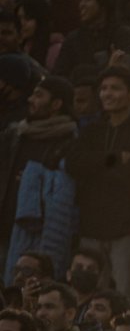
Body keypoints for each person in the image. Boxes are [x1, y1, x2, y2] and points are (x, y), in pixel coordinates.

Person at [64, 66, 130, 296]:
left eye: (115, 88)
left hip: (127, 230)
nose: (108, 93)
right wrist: (115, 158)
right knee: (85, 296)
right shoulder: (92, 130)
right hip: (91, 226)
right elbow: (74, 164)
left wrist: (97, 166)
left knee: (126, 295)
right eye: (104, 88)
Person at [0, 75, 77, 277]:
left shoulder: (68, 142)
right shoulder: (16, 135)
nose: (30, 100)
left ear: (56, 104)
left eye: (39, 95)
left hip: (36, 234)